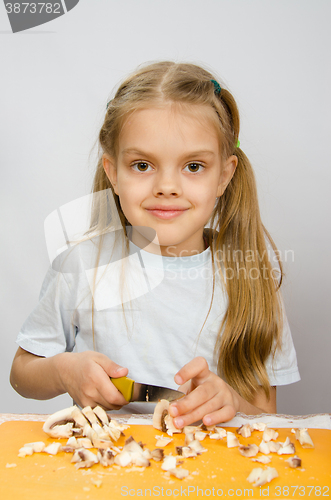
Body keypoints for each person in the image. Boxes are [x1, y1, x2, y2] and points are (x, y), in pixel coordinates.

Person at [10, 61, 300, 428]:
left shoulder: (250, 276)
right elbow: (22, 372)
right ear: (114, 172)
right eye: (143, 165)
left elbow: (266, 409)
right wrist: (63, 371)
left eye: (193, 166)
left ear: (224, 176)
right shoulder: (81, 266)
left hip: (209, 478)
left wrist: (228, 401)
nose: (167, 186)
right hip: (100, 475)